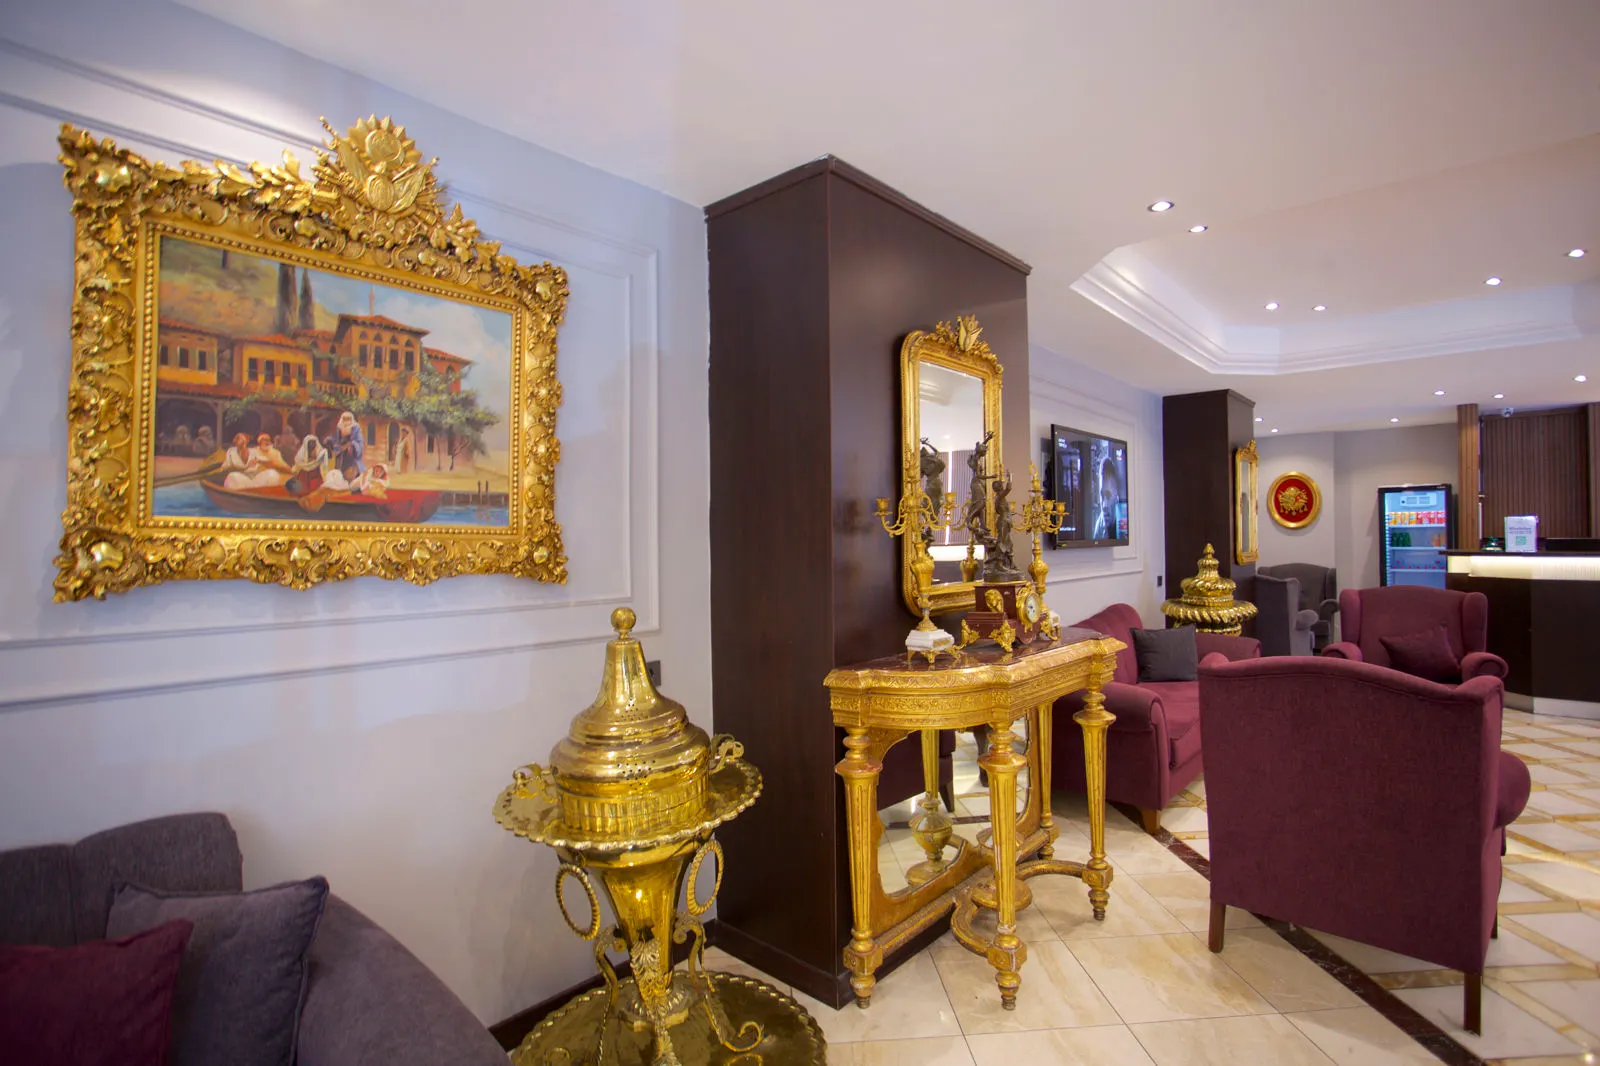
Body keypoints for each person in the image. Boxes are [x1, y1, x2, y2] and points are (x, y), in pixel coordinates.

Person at [324, 411, 365, 487]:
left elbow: (359, 441)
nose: (346, 421)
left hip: (351, 456)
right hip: (340, 455)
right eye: (345, 419)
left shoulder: (355, 428)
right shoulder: (339, 427)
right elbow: (335, 439)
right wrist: (329, 440)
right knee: (339, 475)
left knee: (351, 477)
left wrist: (352, 445)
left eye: (348, 419)